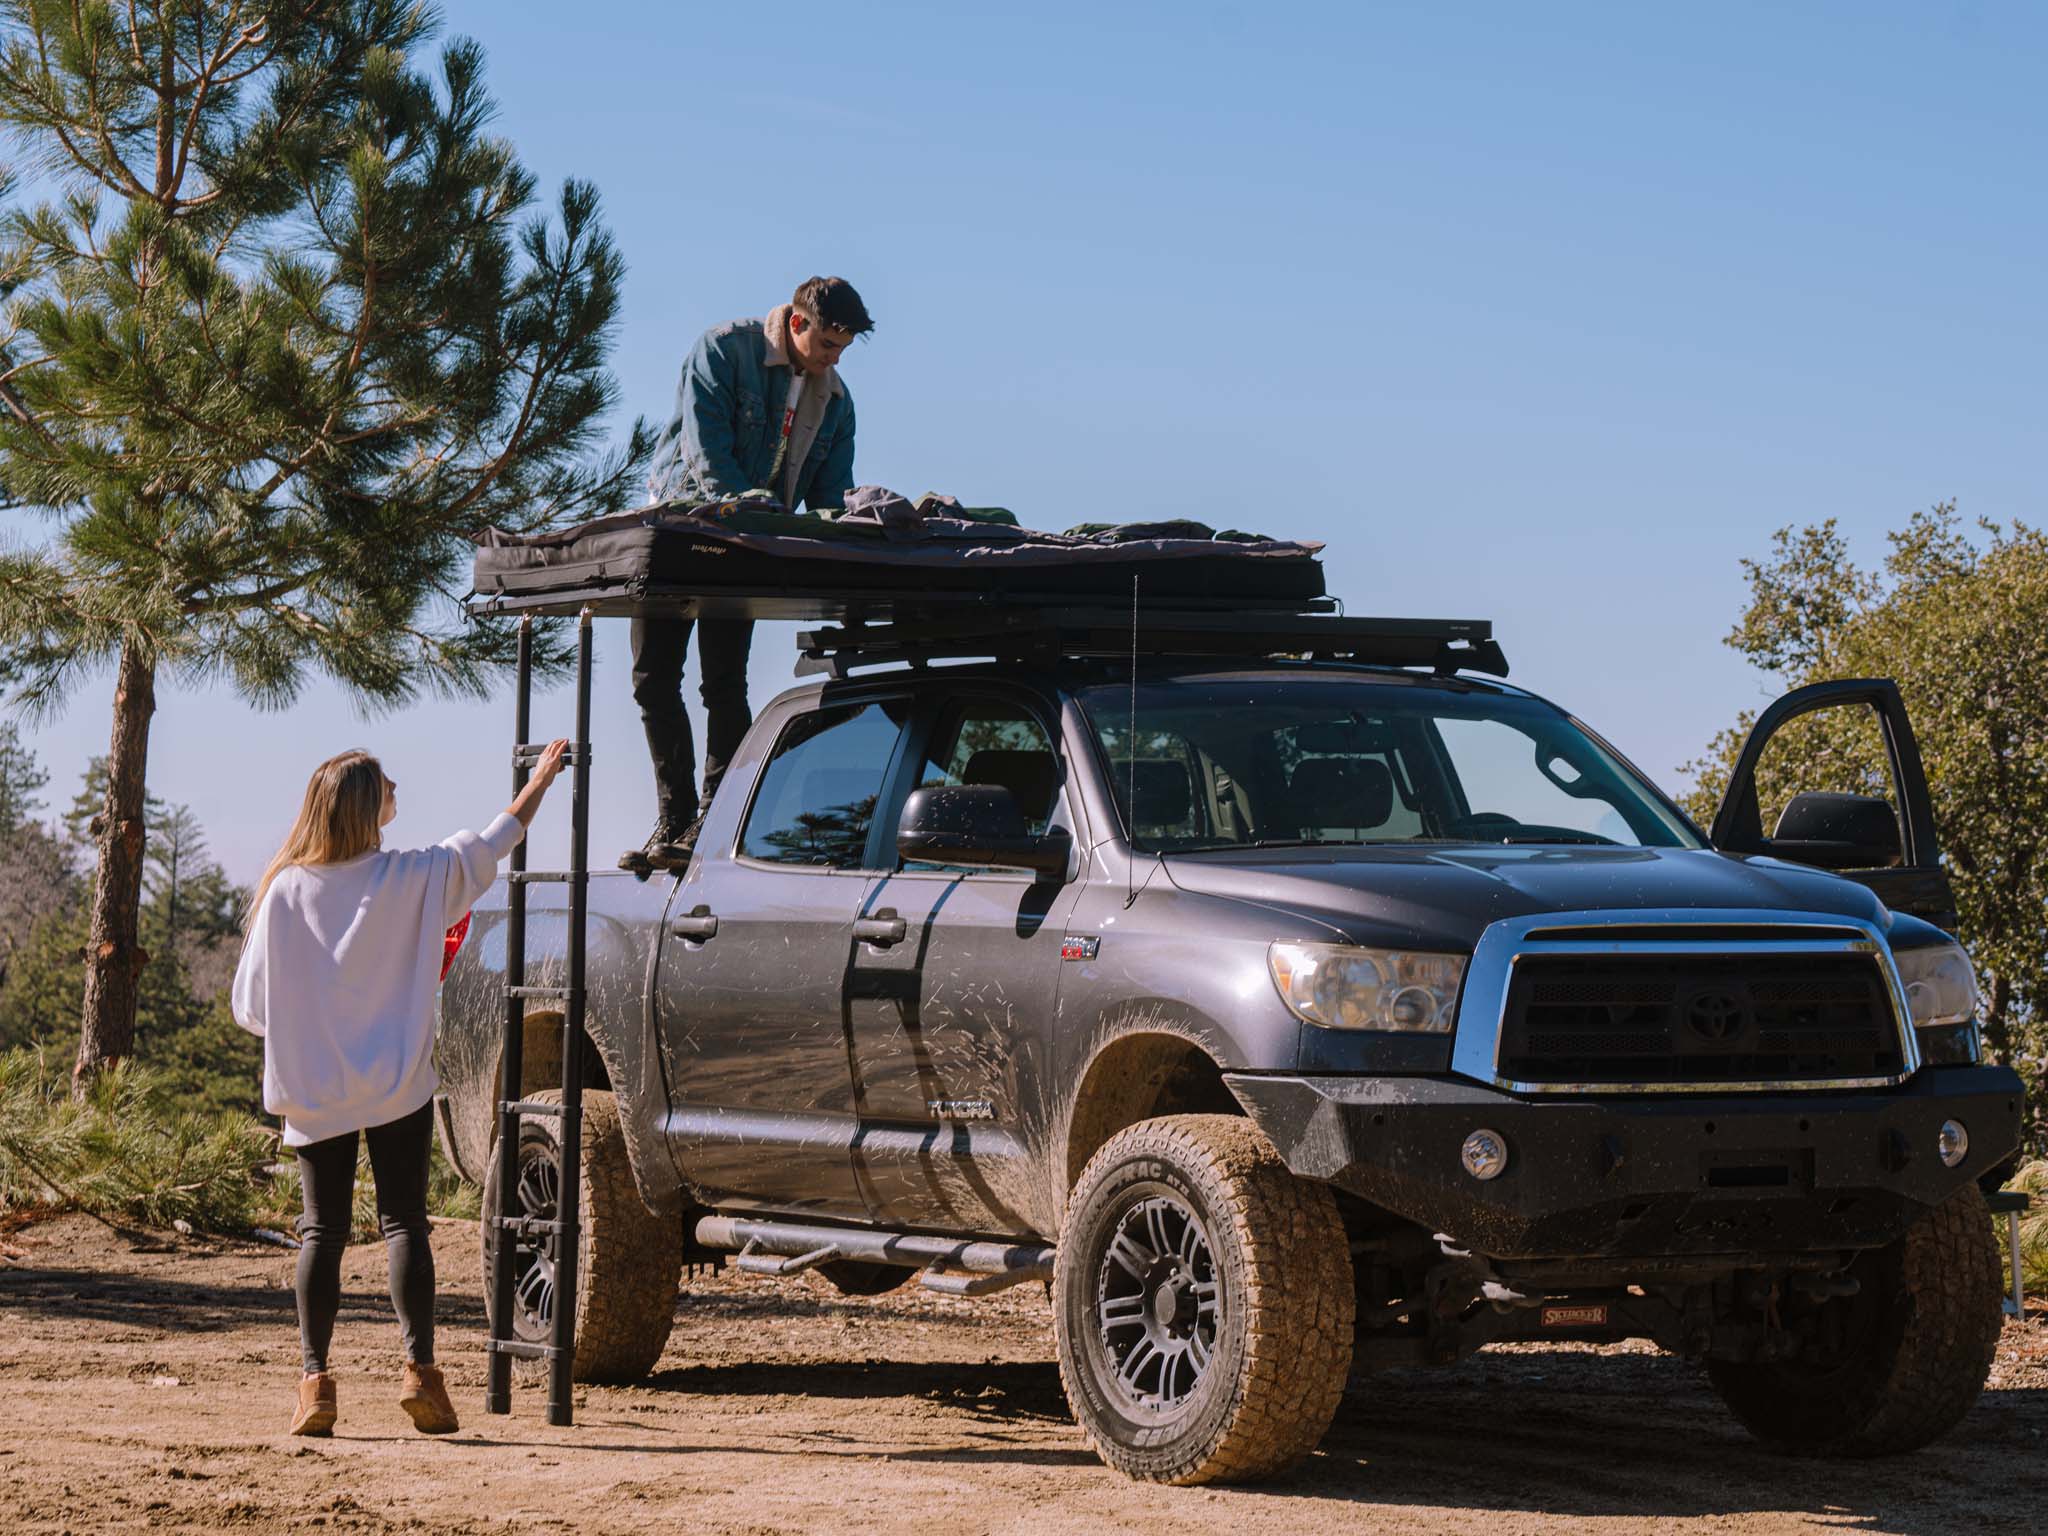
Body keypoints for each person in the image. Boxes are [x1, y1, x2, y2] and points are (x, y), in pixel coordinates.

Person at [232, 740, 570, 1436]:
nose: (398, 788)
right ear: (365, 805)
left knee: (320, 1233)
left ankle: (315, 1384)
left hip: (317, 1090)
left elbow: (253, 1008)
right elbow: (495, 840)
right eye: (386, 783)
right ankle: (420, 1374)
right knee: (404, 1225)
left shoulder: (285, 892)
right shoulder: (415, 877)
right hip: (396, 1085)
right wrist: (540, 781)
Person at [627, 274, 875, 871]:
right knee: (653, 679)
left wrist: (830, 533)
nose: (832, 360)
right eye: (827, 345)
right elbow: (704, 448)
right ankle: (676, 816)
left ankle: (713, 820)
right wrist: (745, 508)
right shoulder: (722, 349)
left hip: (747, 547)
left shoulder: (835, 403)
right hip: (678, 530)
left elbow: (827, 497)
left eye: (842, 350)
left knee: (724, 684)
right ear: (797, 323)